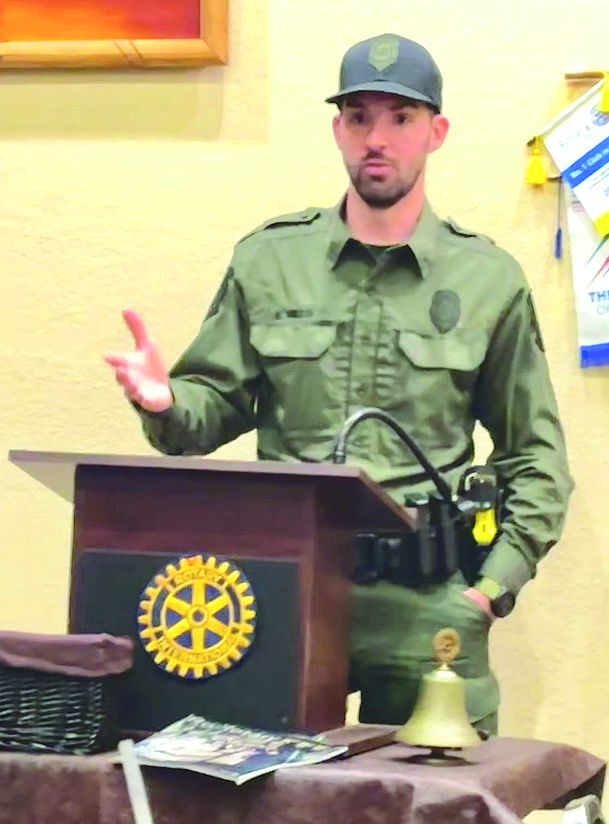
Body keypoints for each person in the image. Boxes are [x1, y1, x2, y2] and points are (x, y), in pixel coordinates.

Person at [103, 33, 573, 735]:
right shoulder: (270, 260)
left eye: (400, 118)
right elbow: (214, 406)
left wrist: (489, 590)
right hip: (285, 590)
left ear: (435, 133)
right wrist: (166, 402)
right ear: (337, 130)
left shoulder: (486, 280)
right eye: (358, 117)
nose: (376, 138)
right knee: (262, 800)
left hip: (426, 606)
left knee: (434, 807)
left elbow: (535, 457)